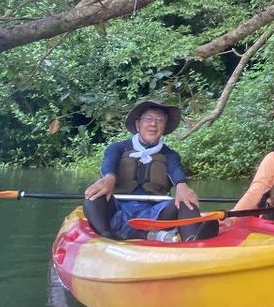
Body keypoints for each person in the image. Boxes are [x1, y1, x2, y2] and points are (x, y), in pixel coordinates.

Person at [82, 99, 216, 242]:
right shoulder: (117, 148)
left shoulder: (170, 155)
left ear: (164, 127)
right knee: (94, 193)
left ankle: (192, 239)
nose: (153, 124)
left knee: (186, 199)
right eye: (148, 118)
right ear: (138, 124)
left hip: (155, 214)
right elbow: (109, 163)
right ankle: (106, 234)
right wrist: (108, 179)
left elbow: (177, 173)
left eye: (159, 120)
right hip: (117, 209)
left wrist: (182, 186)